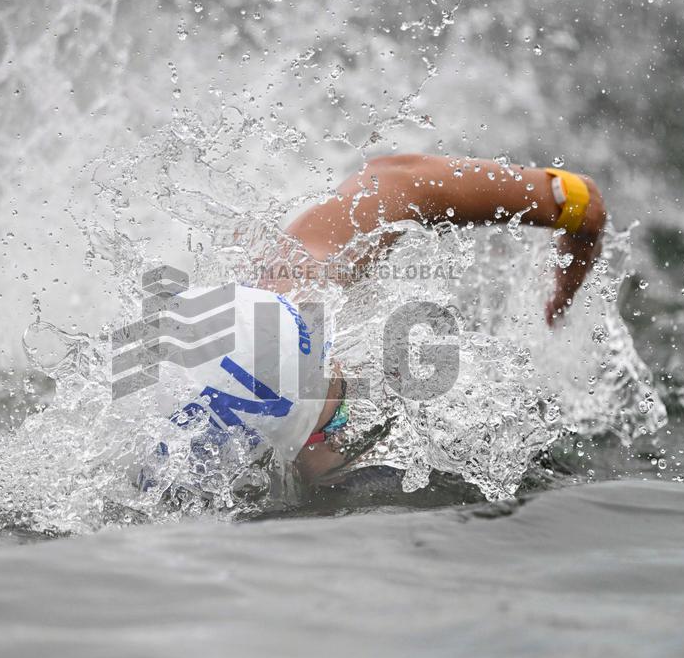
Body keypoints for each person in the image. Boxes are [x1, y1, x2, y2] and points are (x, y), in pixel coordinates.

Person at [143, 155, 606, 492]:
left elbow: (396, 180)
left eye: (334, 375)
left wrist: (570, 205)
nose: (346, 385)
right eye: (333, 420)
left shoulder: (298, 276)